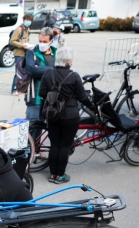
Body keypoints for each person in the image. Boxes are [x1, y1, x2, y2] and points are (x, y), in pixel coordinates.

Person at [39, 47, 96, 184]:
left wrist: (53, 98)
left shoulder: (48, 74)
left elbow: (42, 93)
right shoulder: (74, 76)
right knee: (64, 145)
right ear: (69, 61)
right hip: (70, 116)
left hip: (52, 115)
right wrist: (93, 108)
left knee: (54, 145)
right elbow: (82, 97)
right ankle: (61, 175)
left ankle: (52, 175)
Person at [25, 27, 57, 140]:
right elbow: (32, 70)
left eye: (45, 42)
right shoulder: (31, 52)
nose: (41, 44)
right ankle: (29, 152)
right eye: (40, 41)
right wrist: (53, 69)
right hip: (35, 95)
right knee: (32, 125)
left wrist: (41, 69)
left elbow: (63, 70)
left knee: (43, 125)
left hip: (51, 97)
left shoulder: (56, 53)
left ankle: (37, 149)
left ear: (51, 41)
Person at [9, 13, 34, 96]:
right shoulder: (19, 29)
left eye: (30, 20)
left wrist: (29, 45)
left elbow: (26, 40)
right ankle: (14, 89)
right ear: (24, 20)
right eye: (27, 20)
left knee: (23, 72)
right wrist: (22, 45)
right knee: (18, 72)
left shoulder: (28, 29)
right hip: (18, 53)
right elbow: (12, 41)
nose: (28, 22)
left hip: (25, 53)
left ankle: (20, 88)